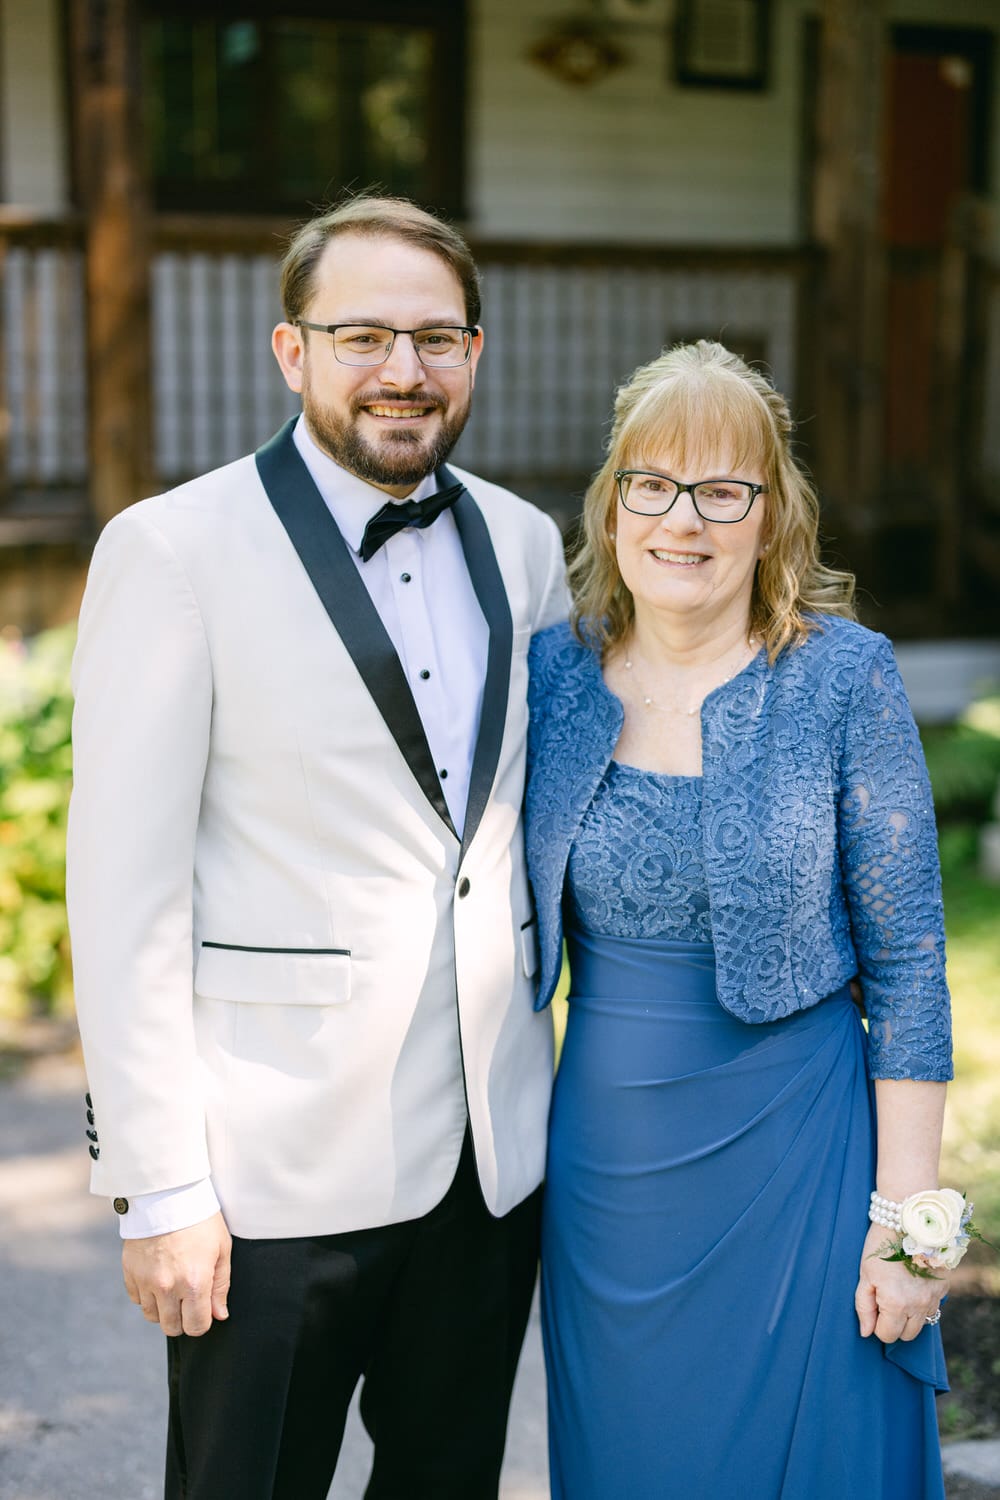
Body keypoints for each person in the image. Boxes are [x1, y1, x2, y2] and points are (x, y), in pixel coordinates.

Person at [66, 193, 567, 1500]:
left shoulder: (523, 545)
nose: (405, 370)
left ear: (475, 350)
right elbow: (124, 901)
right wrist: (161, 1187)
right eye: (364, 335)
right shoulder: (171, 551)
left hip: (488, 1166)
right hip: (269, 1178)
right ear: (293, 352)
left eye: (440, 338)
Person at [525, 340, 953, 1498]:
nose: (685, 520)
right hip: (611, 1171)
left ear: (771, 518)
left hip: (802, 1155)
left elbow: (911, 962)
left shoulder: (842, 679)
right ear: (613, 507)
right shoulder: (548, 677)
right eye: (653, 485)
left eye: (723, 490)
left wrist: (910, 1229)